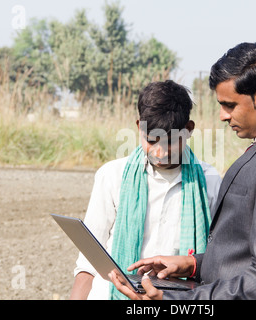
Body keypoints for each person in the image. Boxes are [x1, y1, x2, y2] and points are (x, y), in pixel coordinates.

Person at [109, 42, 256, 300]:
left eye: (229, 105)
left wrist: (175, 301)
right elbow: (244, 256)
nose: (222, 116)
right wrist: (192, 265)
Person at [70, 80, 222, 300]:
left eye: (169, 142)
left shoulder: (209, 181)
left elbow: (216, 258)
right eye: (151, 140)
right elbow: (90, 256)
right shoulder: (112, 175)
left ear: (188, 130)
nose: (159, 153)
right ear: (139, 126)